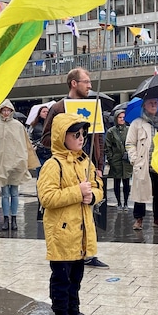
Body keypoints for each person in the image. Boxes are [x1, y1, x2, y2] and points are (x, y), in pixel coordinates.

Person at [39, 113, 104, 315]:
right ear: (61, 137)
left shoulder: (85, 160)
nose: (81, 138)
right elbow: (46, 197)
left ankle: (73, 313)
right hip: (61, 232)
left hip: (81, 231)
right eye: (75, 134)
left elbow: (98, 186)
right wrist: (78, 192)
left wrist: (92, 196)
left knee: (76, 276)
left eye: (83, 134)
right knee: (62, 278)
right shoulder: (53, 164)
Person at [41, 68, 108, 268]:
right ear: (73, 83)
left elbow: (98, 137)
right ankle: (66, 252)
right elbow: (46, 137)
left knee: (89, 209)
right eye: (86, 82)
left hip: (88, 165)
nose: (90, 86)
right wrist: (65, 139)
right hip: (66, 168)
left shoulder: (93, 105)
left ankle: (88, 251)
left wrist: (99, 164)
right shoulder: (59, 107)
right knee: (68, 214)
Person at [0, 99, 39, 231]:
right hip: (1, 163)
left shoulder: (18, 126)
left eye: (8, 110)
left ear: (11, 111)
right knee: (5, 192)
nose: (6, 112)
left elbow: (23, 144)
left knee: (14, 192)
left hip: (15, 163)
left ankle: (14, 219)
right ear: (0, 111)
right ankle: (6, 218)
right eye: (4, 110)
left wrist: (23, 159)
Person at [126, 98, 158, 231]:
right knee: (140, 193)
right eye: (150, 103)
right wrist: (134, 159)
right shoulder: (137, 123)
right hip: (143, 164)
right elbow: (130, 143)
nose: (153, 105)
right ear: (144, 105)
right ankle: (138, 218)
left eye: (156, 103)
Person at [105, 110, 132, 211]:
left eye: (123, 117)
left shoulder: (129, 130)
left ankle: (125, 202)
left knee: (126, 182)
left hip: (127, 160)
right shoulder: (111, 131)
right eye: (120, 117)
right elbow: (107, 147)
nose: (122, 119)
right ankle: (119, 203)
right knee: (117, 182)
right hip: (116, 160)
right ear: (116, 119)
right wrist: (111, 159)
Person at [28, 104, 52, 172]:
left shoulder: (53, 124)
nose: (46, 113)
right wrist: (34, 145)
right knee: (40, 173)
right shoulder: (34, 125)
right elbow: (29, 137)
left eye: (47, 112)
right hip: (39, 153)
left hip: (51, 152)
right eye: (44, 112)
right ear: (39, 113)